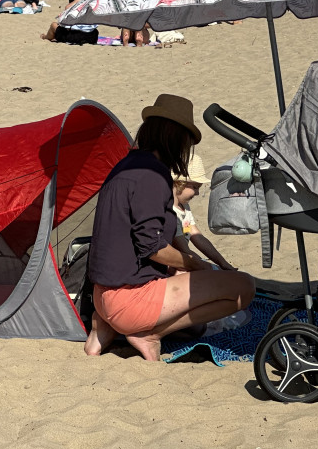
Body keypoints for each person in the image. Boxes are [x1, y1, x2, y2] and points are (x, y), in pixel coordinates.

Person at [84, 94, 255, 360]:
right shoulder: (152, 175)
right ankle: (148, 334)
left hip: (101, 295)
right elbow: (152, 248)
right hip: (129, 301)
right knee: (243, 288)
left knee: (185, 278)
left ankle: (106, 325)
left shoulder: (125, 165)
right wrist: (194, 264)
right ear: (175, 138)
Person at [170, 156, 235, 271]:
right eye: (195, 187)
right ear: (179, 183)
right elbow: (183, 250)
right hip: (173, 264)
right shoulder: (171, 213)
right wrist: (210, 267)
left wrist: (222, 263)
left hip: (185, 260)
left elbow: (196, 236)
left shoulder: (184, 207)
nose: (197, 193)